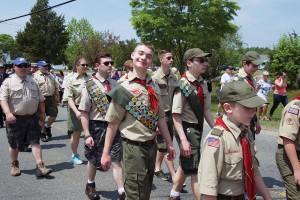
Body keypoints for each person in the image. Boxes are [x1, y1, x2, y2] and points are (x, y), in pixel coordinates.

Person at [101, 43, 176, 200]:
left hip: (152, 146)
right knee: (135, 195)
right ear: (132, 55)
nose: (144, 58)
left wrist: (169, 143)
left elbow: (160, 116)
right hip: (133, 148)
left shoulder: (153, 85)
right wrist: (106, 153)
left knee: (145, 193)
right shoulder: (123, 87)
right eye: (140, 53)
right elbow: (113, 122)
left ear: (151, 62)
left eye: (148, 56)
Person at [199, 81, 271, 200]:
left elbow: (254, 170)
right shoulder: (217, 138)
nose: (253, 112)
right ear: (228, 108)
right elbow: (209, 185)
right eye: (248, 107)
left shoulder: (245, 133)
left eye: (255, 107)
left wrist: (268, 198)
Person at [169, 48, 215, 200]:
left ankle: (174, 194)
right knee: (195, 169)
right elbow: (175, 114)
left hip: (197, 127)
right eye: (200, 60)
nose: (205, 63)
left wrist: (215, 128)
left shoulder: (201, 83)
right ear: (189, 63)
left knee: (187, 162)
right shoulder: (182, 85)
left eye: (206, 60)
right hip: (186, 128)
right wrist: (183, 140)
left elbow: (206, 110)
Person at [79, 53, 125, 200]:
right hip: (96, 126)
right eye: (106, 63)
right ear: (97, 66)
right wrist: (86, 134)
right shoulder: (90, 85)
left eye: (111, 63)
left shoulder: (116, 84)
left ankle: (121, 191)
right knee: (94, 159)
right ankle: (90, 185)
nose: (110, 65)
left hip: (114, 126)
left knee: (116, 159)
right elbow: (84, 112)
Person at [0, 57, 52, 177]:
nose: (23, 68)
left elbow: (40, 100)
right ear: (14, 67)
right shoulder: (8, 82)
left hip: (32, 117)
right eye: (20, 66)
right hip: (15, 119)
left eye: (25, 65)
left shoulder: (32, 81)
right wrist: (8, 113)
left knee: (35, 141)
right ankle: (14, 164)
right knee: (14, 144)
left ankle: (40, 166)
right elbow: (3, 99)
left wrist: (43, 113)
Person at [152, 50, 177, 182]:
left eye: (172, 57)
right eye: (168, 58)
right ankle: (174, 176)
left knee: (164, 145)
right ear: (161, 60)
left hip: (172, 115)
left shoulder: (174, 77)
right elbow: (153, 102)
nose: (171, 60)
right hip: (161, 116)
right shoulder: (155, 78)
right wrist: (155, 122)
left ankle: (157, 168)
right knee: (167, 145)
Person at [275, 75, 300, 199]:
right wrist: (297, 169)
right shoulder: (295, 107)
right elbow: (288, 139)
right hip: (289, 154)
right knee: (296, 195)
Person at [63, 58, 90, 165]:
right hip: (76, 108)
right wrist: (76, 111)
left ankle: (92, 155)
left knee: (91, 132)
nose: (85, 67)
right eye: (83, 65)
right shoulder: (70, 79)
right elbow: (68, 98)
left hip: (89, 108)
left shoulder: (91, 78)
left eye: (87, 65)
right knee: (76, 133)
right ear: (77, 66)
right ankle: (74, 155)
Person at [234, 51, 264, 137]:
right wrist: (243, 121)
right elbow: (236, 105)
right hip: (240, 121)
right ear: (244, 64)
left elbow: (252, 103)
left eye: (257, 66)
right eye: (254, 66)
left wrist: (256, 121)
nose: (256, 69)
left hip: (250, 119)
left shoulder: (252, 79)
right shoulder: (237, 80)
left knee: (250, 147)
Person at [33, 60, 59, 142]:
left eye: (46, 66)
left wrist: (57, 96)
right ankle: (42, 133)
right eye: (43, 66)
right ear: (39, 67)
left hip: (51, 98)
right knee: (42, 117)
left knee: (54, 114)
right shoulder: (35, 76)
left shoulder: (50, 75)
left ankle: (47, 127)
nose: (45, 67)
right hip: (41, 98)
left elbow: (55, 86)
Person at [0, 62, 9, 128]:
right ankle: (1, 123)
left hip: (6, 95)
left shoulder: (7, 75)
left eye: (2, 68)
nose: (1, 69)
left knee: (6, 109)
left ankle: (8, 121)